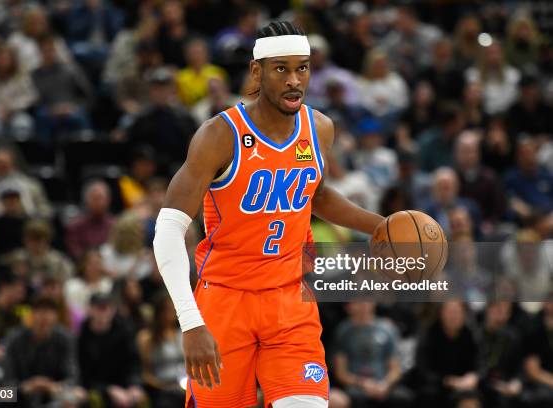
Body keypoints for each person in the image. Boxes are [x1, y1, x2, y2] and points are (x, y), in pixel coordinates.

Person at [153, 21, 384, 407]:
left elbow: (317, 195)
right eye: (282, 69)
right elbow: (167, 231)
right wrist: (190, 322)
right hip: (225, 302)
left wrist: (381, 225)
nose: (295, 80)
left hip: (289, 299)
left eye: (303, 68)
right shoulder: (219, 135)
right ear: (257, 72)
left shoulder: (319, 128)